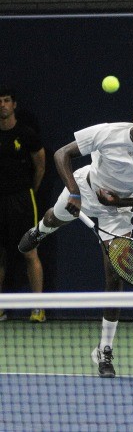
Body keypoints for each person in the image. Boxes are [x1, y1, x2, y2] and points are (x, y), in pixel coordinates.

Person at [18, 101, 133, 378]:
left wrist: (122, 200)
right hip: (85, 189)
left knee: (115, 276)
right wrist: (74, 192)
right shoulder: (109, 132)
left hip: (118, 211)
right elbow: (62, 154)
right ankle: (41, 230)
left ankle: (105, 349)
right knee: (54, 219)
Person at [0, 86, 46, 322]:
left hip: (22, 199)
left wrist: (29, 191)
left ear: (14, 104)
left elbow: (40, 165)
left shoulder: (26, 134)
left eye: (6, 100)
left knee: (29, 252)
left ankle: (37, 309)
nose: (2, 105)